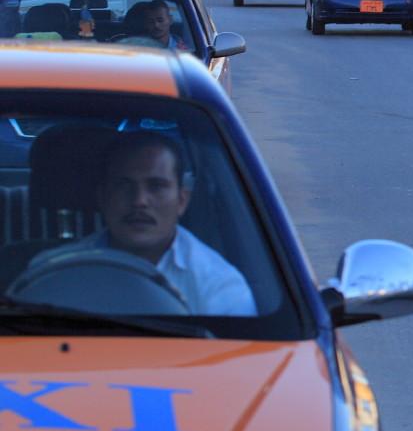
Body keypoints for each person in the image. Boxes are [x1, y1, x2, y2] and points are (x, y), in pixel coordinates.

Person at [18, 134, 256, 318]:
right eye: (124, 185)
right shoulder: (48, 275)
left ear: (182, 201)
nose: (139, 201)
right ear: (103, 197)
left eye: (156, 186)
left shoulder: (220, 287)